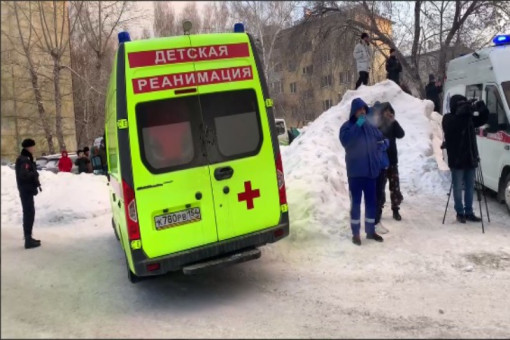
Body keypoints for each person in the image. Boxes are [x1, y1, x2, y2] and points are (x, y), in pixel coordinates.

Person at [340, 98, 386, 245]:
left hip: (371, 173)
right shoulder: (347, 127)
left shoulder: (371, 127)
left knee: (371, 203)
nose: (363, 112)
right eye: (359, 110)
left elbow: (381, 141)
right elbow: (347, 142)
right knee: (356, 204)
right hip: (355, 174)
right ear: (354, 112)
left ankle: (370, 231)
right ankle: (356, 233)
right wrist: (359, 124)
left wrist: (383, 145)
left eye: (364, 109)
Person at [442, 95, 489, 223]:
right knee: (457, 187)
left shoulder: (468, 118)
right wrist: (463, 113)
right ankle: (460, 212)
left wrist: (483, 109)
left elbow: (482, 119)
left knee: (469, 187)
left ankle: (469, 212)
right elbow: (455, 125)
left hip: (470, 157)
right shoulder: (448, 119)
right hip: (457, 159)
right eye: (461, 104)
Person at [378, 102, 405, 221]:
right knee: (380, 186)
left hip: (392, 161)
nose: (388, 113)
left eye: (390, 111)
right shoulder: (377, 124)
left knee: (395, 186)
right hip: (380, 162)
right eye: (386, 111)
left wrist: (394, 121)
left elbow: (401, 134)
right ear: (382, 112)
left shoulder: (393, 124)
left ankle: (395, 209)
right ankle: (379, 208)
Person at [367, 102, 390, 233]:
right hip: (375, 166)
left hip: (382, 165)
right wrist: (381, 144)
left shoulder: (377, 126)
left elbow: (385, 141)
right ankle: (374, 222)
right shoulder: (367, 125)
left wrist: (384, 143)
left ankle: (376, 220)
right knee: (376, 195)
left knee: (379, 195)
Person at [15, 138, 42, 249]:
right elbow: (24, 174)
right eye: (33, 146)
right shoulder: (24, 160)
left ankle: (29, 237)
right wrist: (34, 173)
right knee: (29, 213)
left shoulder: (25, 158)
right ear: (28, 147)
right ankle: (28, 239)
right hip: (26, 190)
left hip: (26, 190)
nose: (34, 148)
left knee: (29, 212)